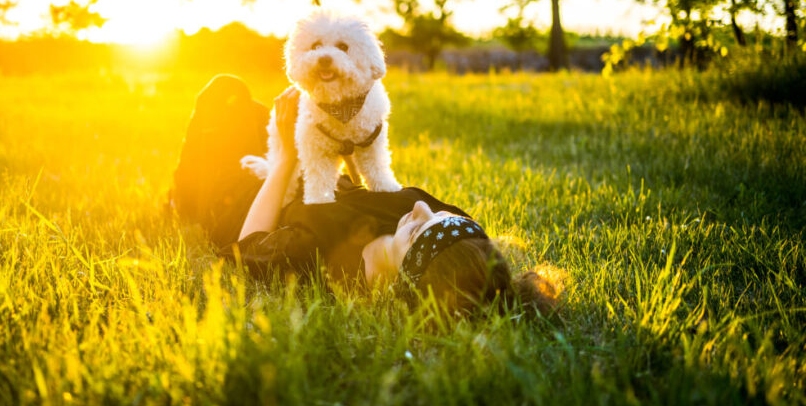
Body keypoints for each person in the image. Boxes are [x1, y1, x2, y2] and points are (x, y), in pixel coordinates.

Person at [171, 75, 559, 316]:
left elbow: (247, 244)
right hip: (307, 175)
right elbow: (366, 196)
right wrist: (348, 150)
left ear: (409, 273)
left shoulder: (324, 267)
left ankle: (180, 197)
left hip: (246, 199)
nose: (420, 208)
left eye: (415, 231)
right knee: (256, 114)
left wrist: (284, 160)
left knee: (226, 96)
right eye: (440, 216)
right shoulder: (444, 230)